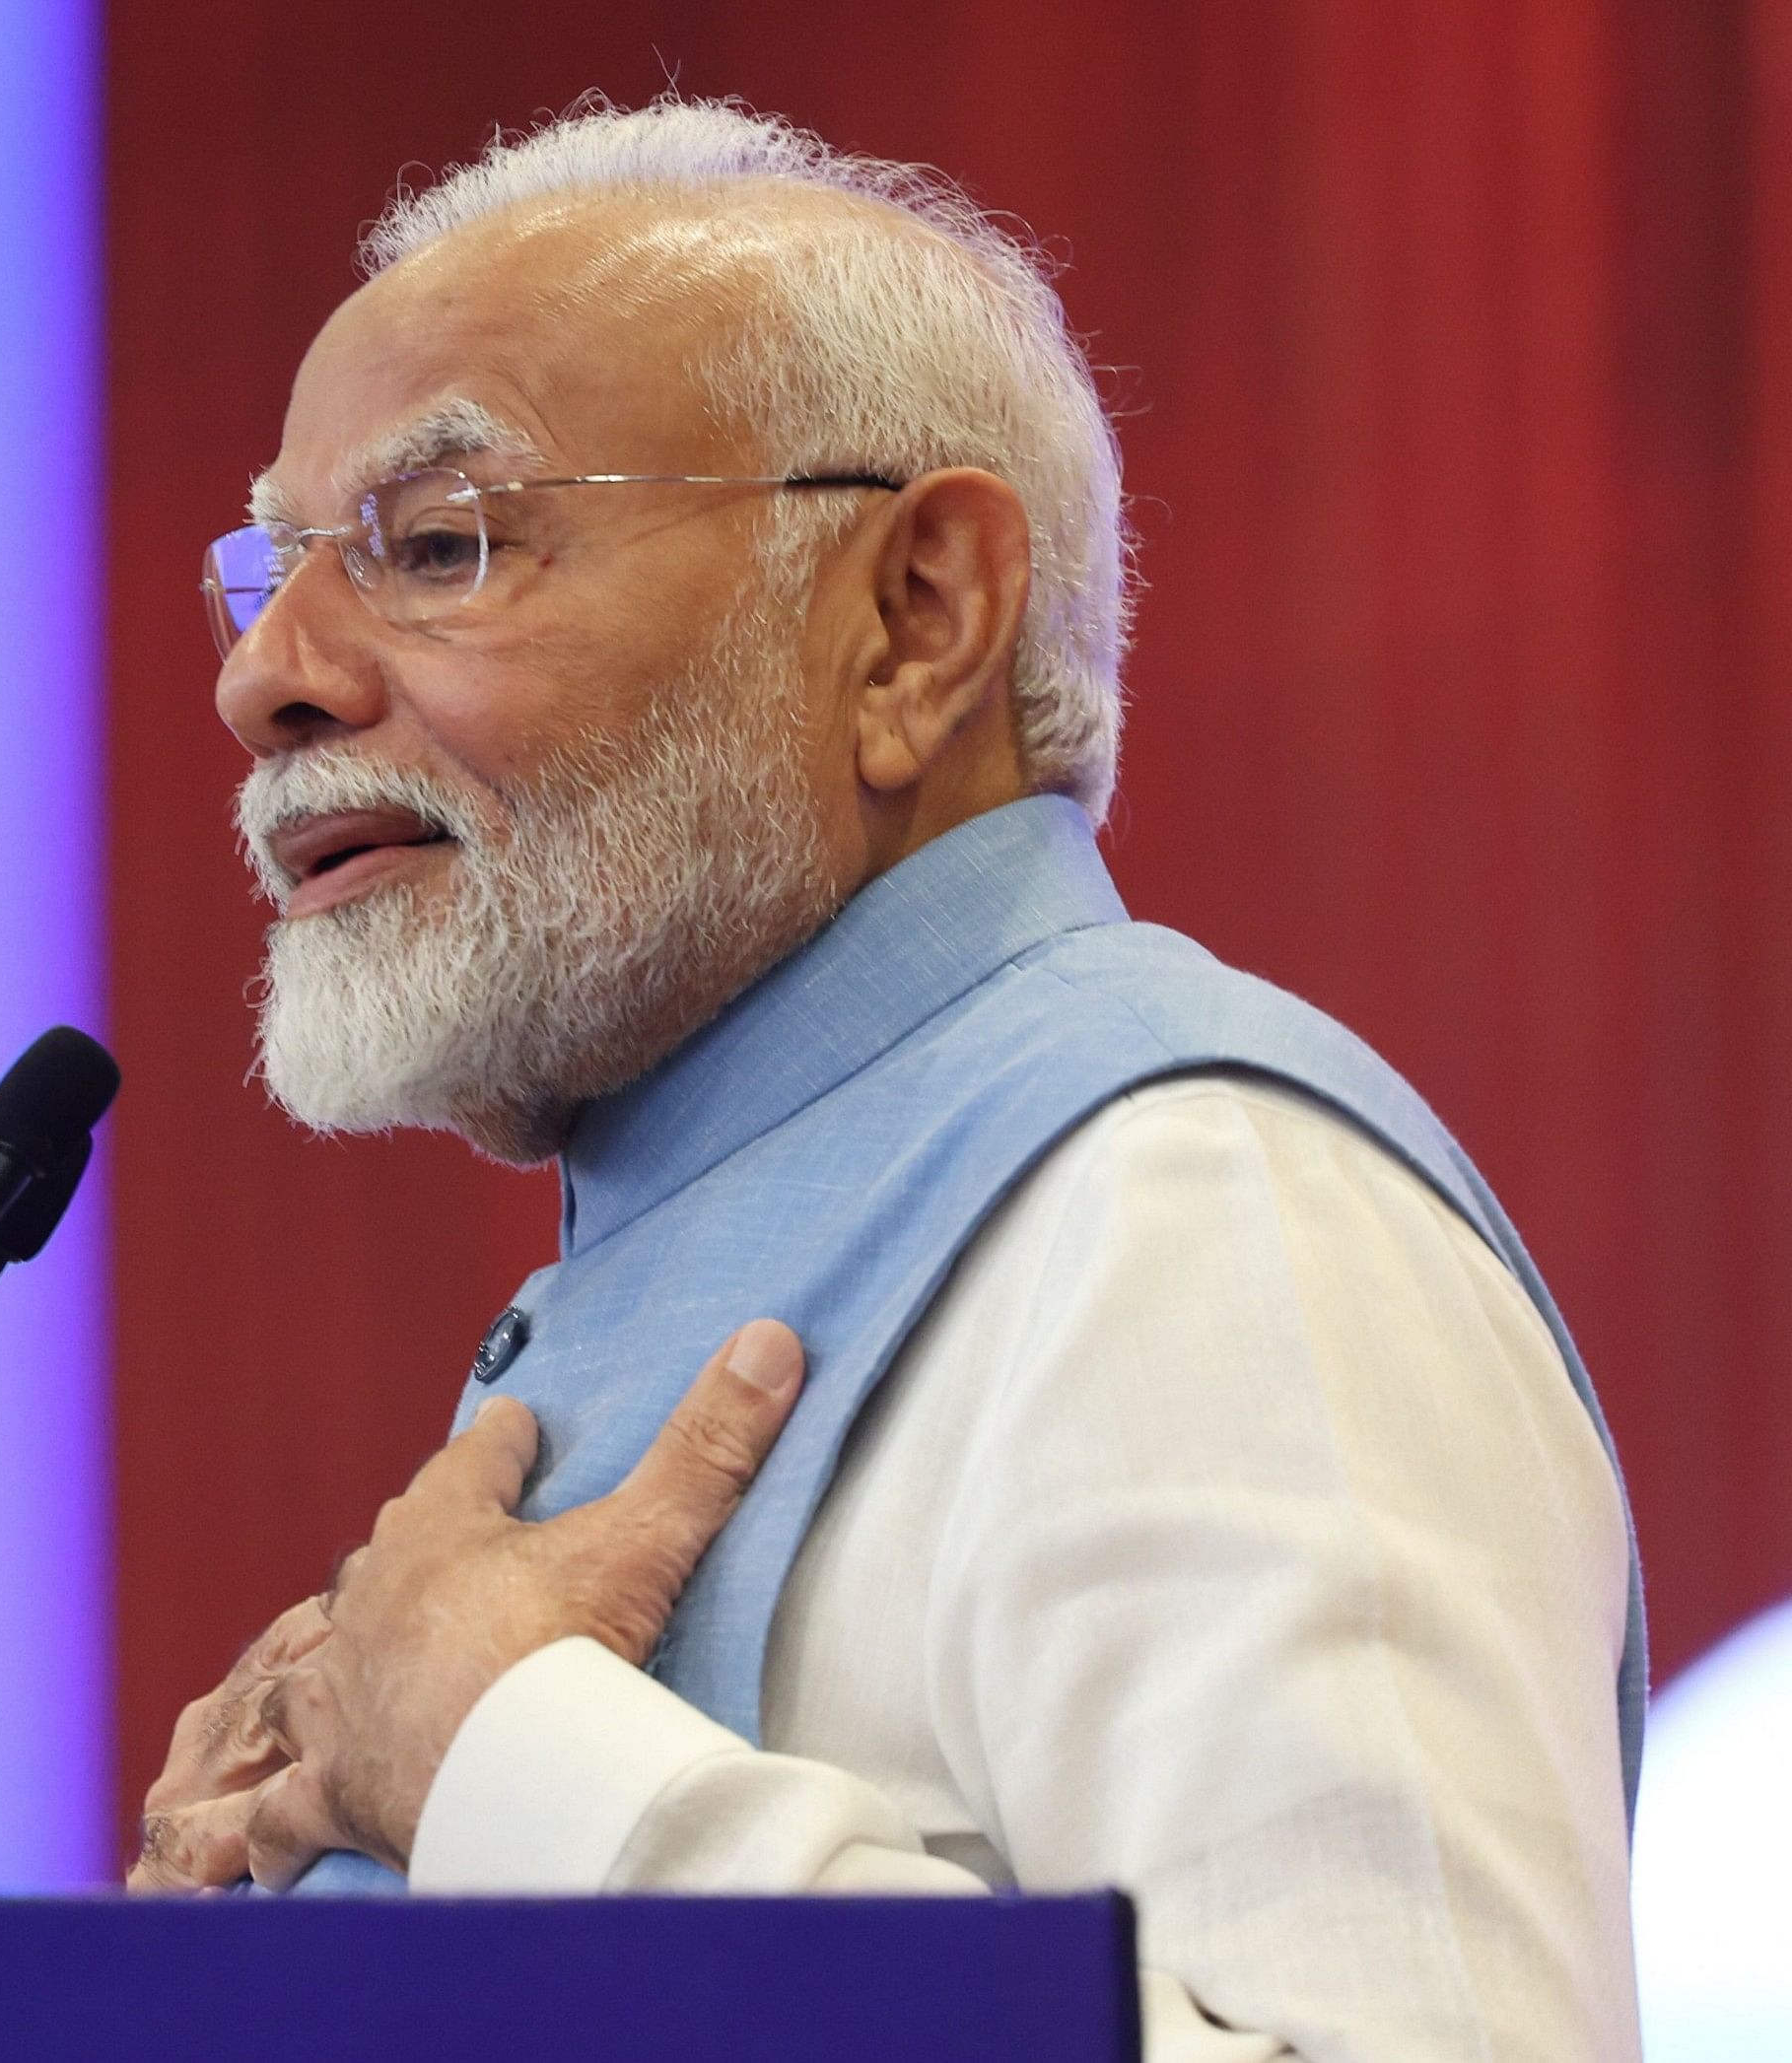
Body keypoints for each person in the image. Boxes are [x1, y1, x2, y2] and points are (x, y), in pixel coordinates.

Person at [123, 97, 1642, 2062]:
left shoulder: (1196, 1210)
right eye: (273, 573)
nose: (270, 680)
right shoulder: (695, 1227)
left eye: (438, 544)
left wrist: (523, 1765)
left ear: (915, 621)